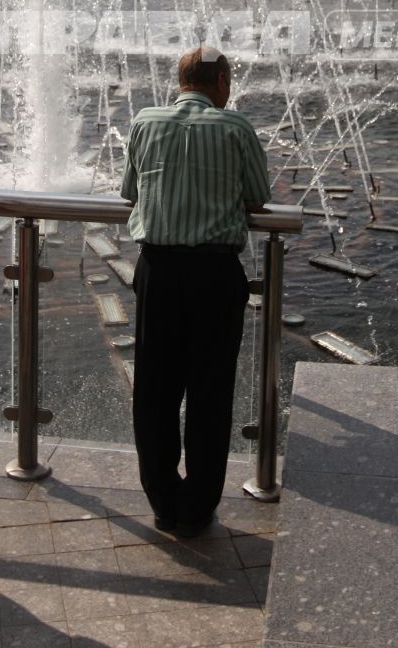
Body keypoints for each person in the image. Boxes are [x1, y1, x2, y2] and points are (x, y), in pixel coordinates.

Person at [119, 45, 271, 539]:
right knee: (210, 390)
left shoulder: (144, 122)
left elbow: (129, 193)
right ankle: (197, 507)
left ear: (180, 80)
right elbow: (258, 197)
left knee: (155, 389)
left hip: (157, 269)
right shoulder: (236, 128)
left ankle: (162, 500)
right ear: (222, 81)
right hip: (214, 274)